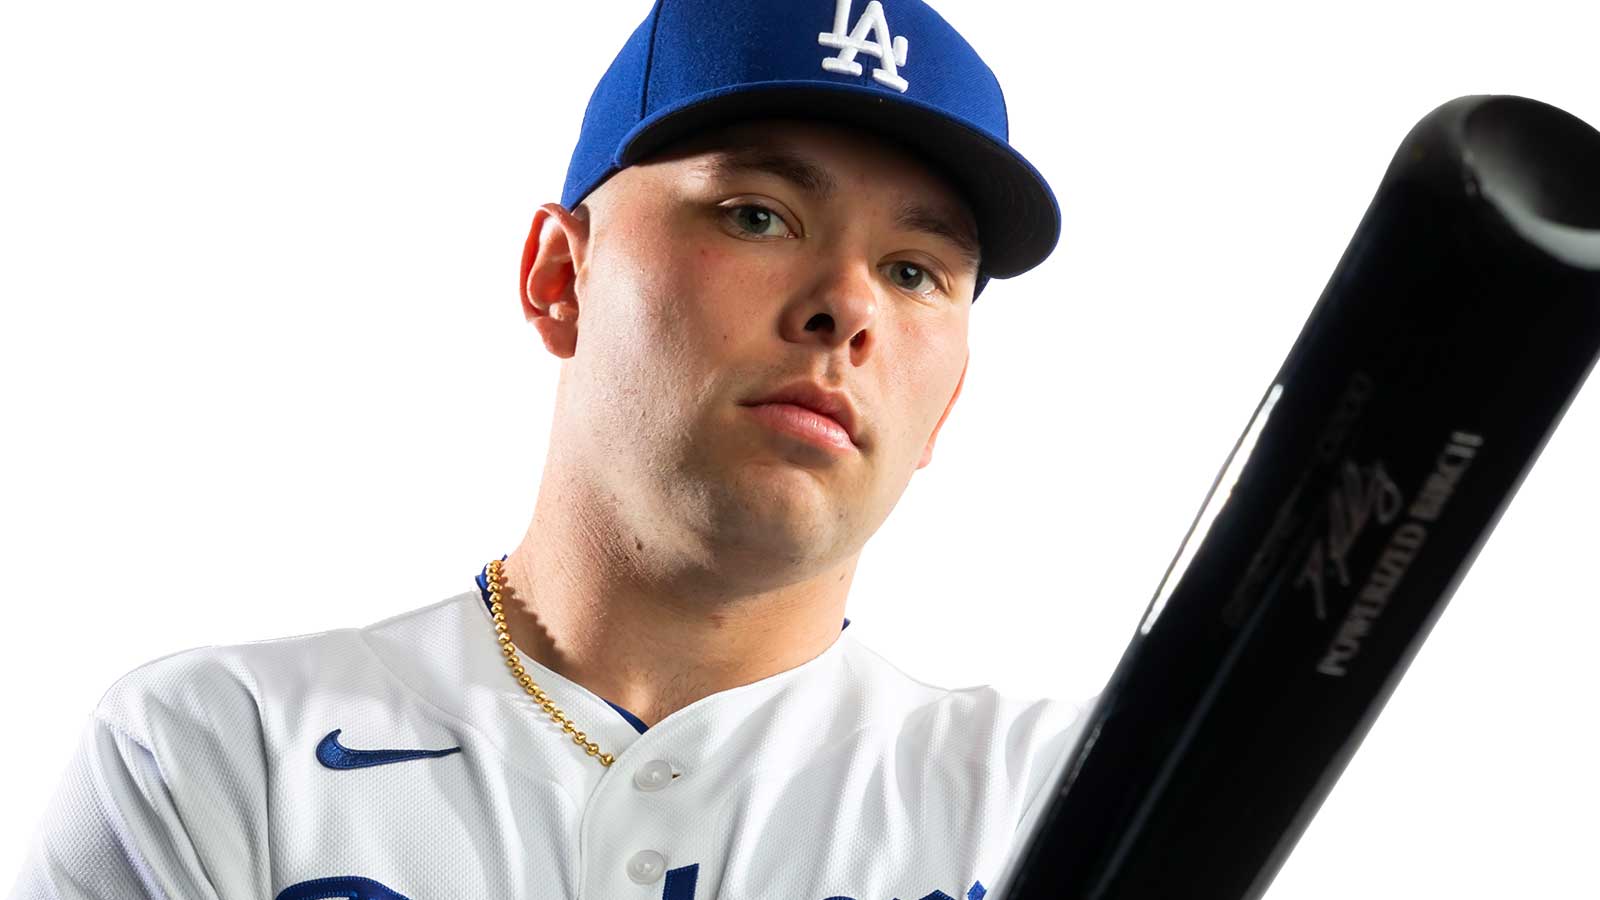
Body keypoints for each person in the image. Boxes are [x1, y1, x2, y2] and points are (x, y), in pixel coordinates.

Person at [9, 1, 1090, 898]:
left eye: (915, 273)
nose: (846, 307)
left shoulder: (1062, 798)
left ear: (947, 401)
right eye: (757, 215)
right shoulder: (217, 756)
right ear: (559, 279)